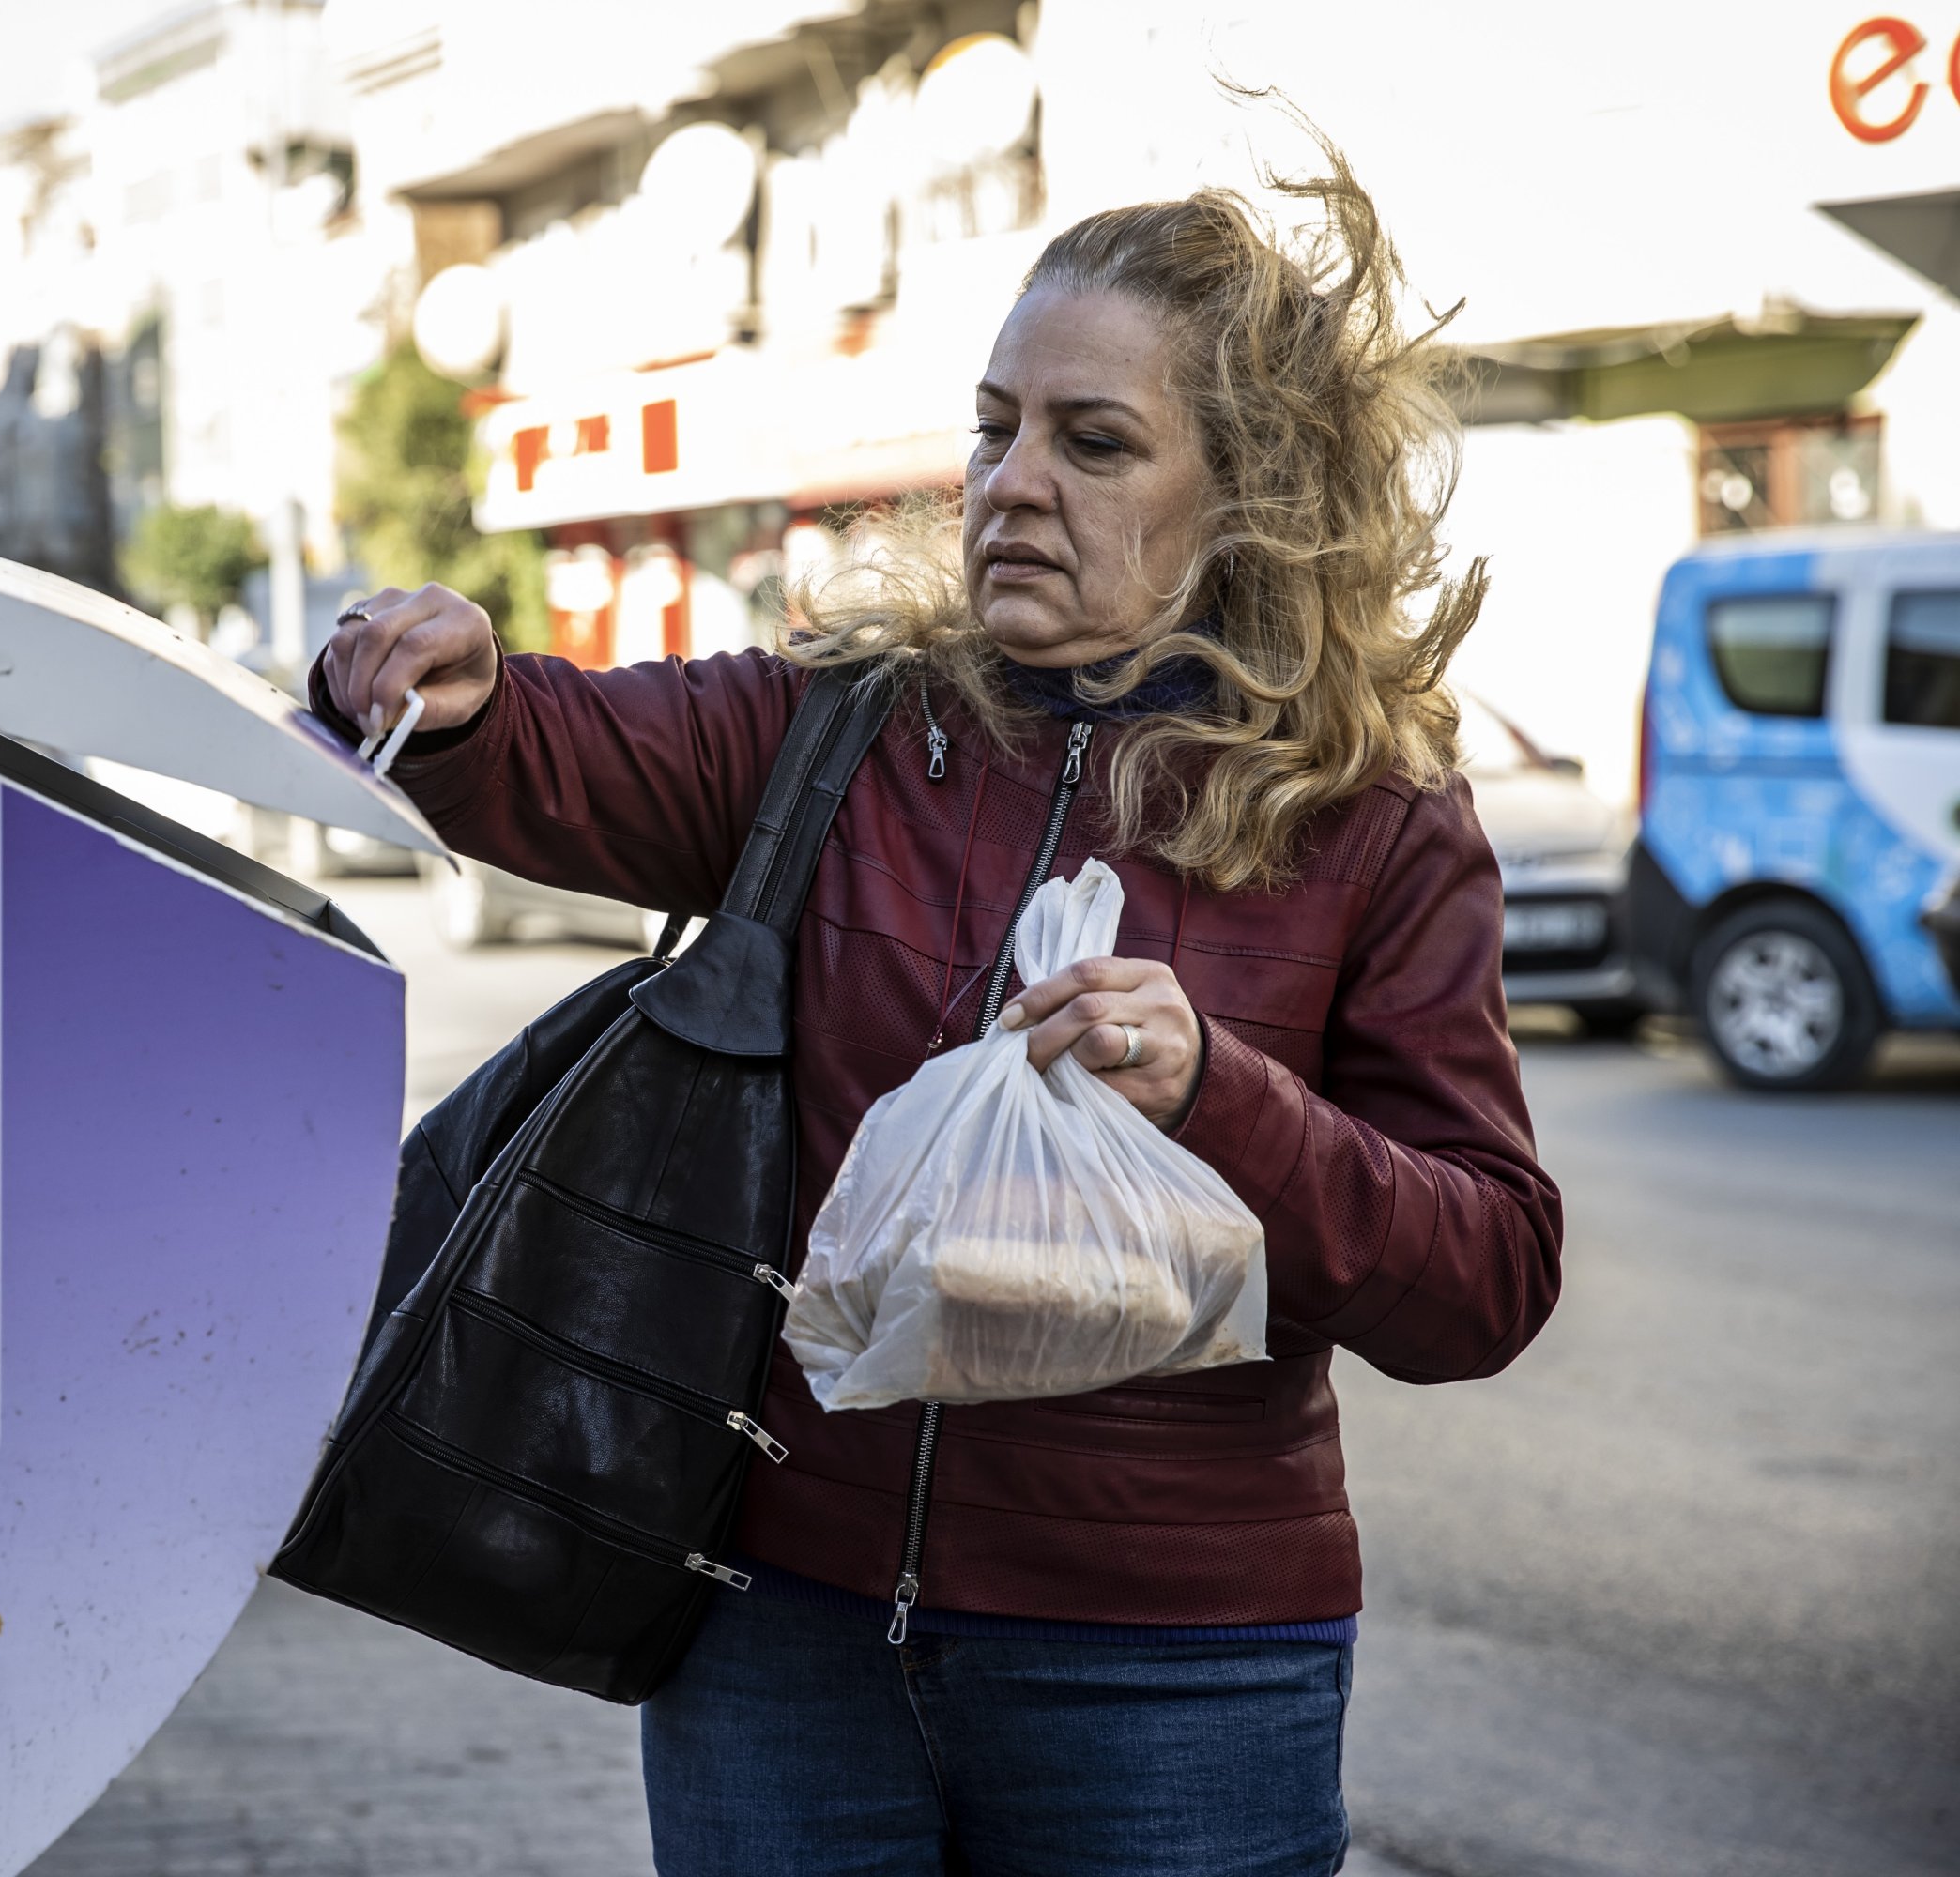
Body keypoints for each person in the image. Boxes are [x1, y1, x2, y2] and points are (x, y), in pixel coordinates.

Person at [313, 145, 1562, 1877]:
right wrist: (437, 690)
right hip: (781, 1641)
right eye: (997, 428)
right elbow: (550, 751)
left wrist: (1221, 1098)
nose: (1014, 483)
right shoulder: (845, 729)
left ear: (1251, 494)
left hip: (1176, 1676)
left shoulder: (1372, 817)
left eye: (1095, 441)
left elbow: (1485, 1275)